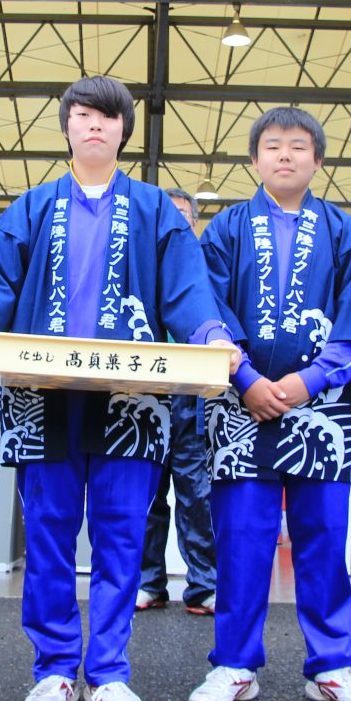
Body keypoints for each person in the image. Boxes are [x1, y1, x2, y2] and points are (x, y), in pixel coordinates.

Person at [0, 75, 239, 701]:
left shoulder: (156, 210)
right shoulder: (31, 208)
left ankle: (108, 671)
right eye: (83, 114)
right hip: (43, 396)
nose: (95, 125)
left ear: (124, 129)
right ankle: (54, 670)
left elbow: (188, 290)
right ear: (67, 126)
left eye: (108, 116)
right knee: (48, 534)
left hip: (131, 399)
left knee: (121, 535)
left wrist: (212, 335)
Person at [190, 106, 351, 701]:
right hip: (239, 409)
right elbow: (206, 310)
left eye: (298, 146)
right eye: (272, 145)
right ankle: (234, 663)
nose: (284, 155)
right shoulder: (225, 230)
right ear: (254, 159)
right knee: (241, 543)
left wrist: (311, 381)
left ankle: (332, 665)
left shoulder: (347, 233)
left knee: (323, 542)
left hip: (321, 413)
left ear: (317, 160)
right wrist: (247, 379)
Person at [136, 187, 217, 617]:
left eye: (183, 214)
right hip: (146, 390)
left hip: (192, 393)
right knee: (147, 493)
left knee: (195, 493)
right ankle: (148, 581)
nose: (175, 220)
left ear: (195, 223)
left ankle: (204, 584)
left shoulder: (204, 267)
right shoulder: (139, 264)